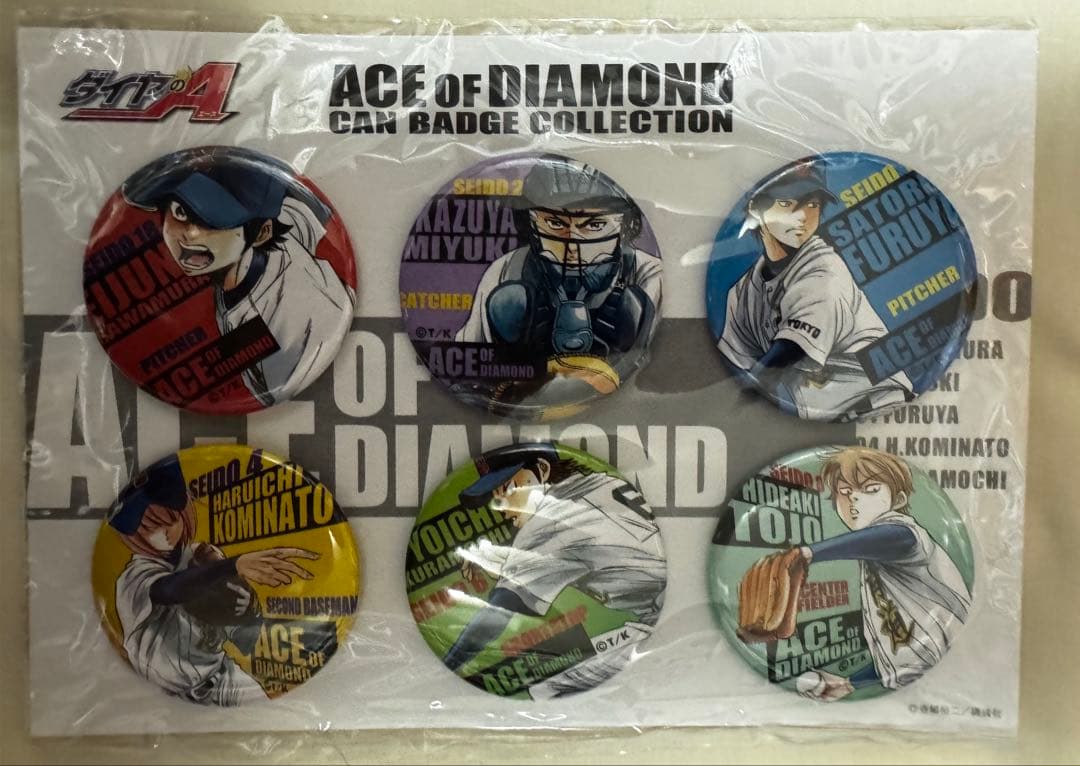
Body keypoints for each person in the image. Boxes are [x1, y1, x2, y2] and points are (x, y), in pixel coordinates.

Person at [124, 147, 354, 406]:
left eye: (214, 221)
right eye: (180, 212)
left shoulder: (293, 323)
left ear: (262, 233)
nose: (191, 234)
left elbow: (279, 391)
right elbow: (300, 209)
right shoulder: (278, 234)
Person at [445, 444, 666, 699]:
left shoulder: (543, 523)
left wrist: (447, 667)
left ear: (542, 469)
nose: (503, 509)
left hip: (656, 624)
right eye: (496, 499)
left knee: (545, 688)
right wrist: (509, 566)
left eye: (509, 489)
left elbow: (496, 615)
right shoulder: (601, 479)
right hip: (667, 606)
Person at [108, 458, 320, 706]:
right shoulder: (134, 576)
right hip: (158, 691)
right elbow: (169, 590)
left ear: (184, 514)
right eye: (149, 528)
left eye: (171, 521)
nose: (163, 533)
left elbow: (246, 641)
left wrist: (246, 608)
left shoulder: (201, 557)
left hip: (222, 680)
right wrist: (231, 566)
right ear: (134, 535)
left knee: (274, 712)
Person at [717, 160, 912, 420]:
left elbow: (786, 354)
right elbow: (737, 368)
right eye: (786, 203)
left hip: (884, 406)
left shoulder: (824, 270)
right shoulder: (743, 293)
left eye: (812, 205)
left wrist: (726, 414)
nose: (802, 217)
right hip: (826, 419)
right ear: (756, 209)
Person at [782, 448, 972, 701]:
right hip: (925, 685)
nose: (854, 498)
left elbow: (888, 537)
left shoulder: (906, 534)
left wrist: (809, 553)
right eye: (844, 492)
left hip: (960, 664)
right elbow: (899, 651)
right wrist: (849, 683)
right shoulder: (872, 559)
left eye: (870, 490)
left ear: (899, 500)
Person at [455, 158, 661, 363]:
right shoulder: (507, 269)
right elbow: (466, 364)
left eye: (595, 225)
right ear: (531, 224)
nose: (572, 248)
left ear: (625, 227)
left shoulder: (647, 273)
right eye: (555, 223)